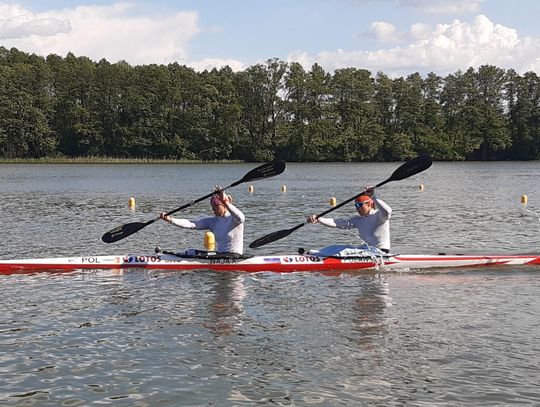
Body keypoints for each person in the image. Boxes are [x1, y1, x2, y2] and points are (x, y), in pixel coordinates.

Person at [159, 186, 245, 255]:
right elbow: (191, 224)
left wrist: (226, 202)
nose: (213, 209)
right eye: (212, 207)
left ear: (223, 205)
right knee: (190, 252)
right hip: (220, 255)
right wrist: (170, 219)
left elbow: (241, 218)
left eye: (216, 206)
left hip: (234, 256)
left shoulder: (234, 219)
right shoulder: (213, 222)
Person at [307, 187, 392, 253]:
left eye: (359, 205)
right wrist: (319, 219)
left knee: (344, 251)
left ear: (369, 204)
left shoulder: (380, 216)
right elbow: (337, 223)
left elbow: (388, 211)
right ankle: (316, 254)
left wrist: (373, 196)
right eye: (356, 206)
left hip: (380, 252)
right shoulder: (358, 220)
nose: (357, 208)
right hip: (367, 250)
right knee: (336, 248)